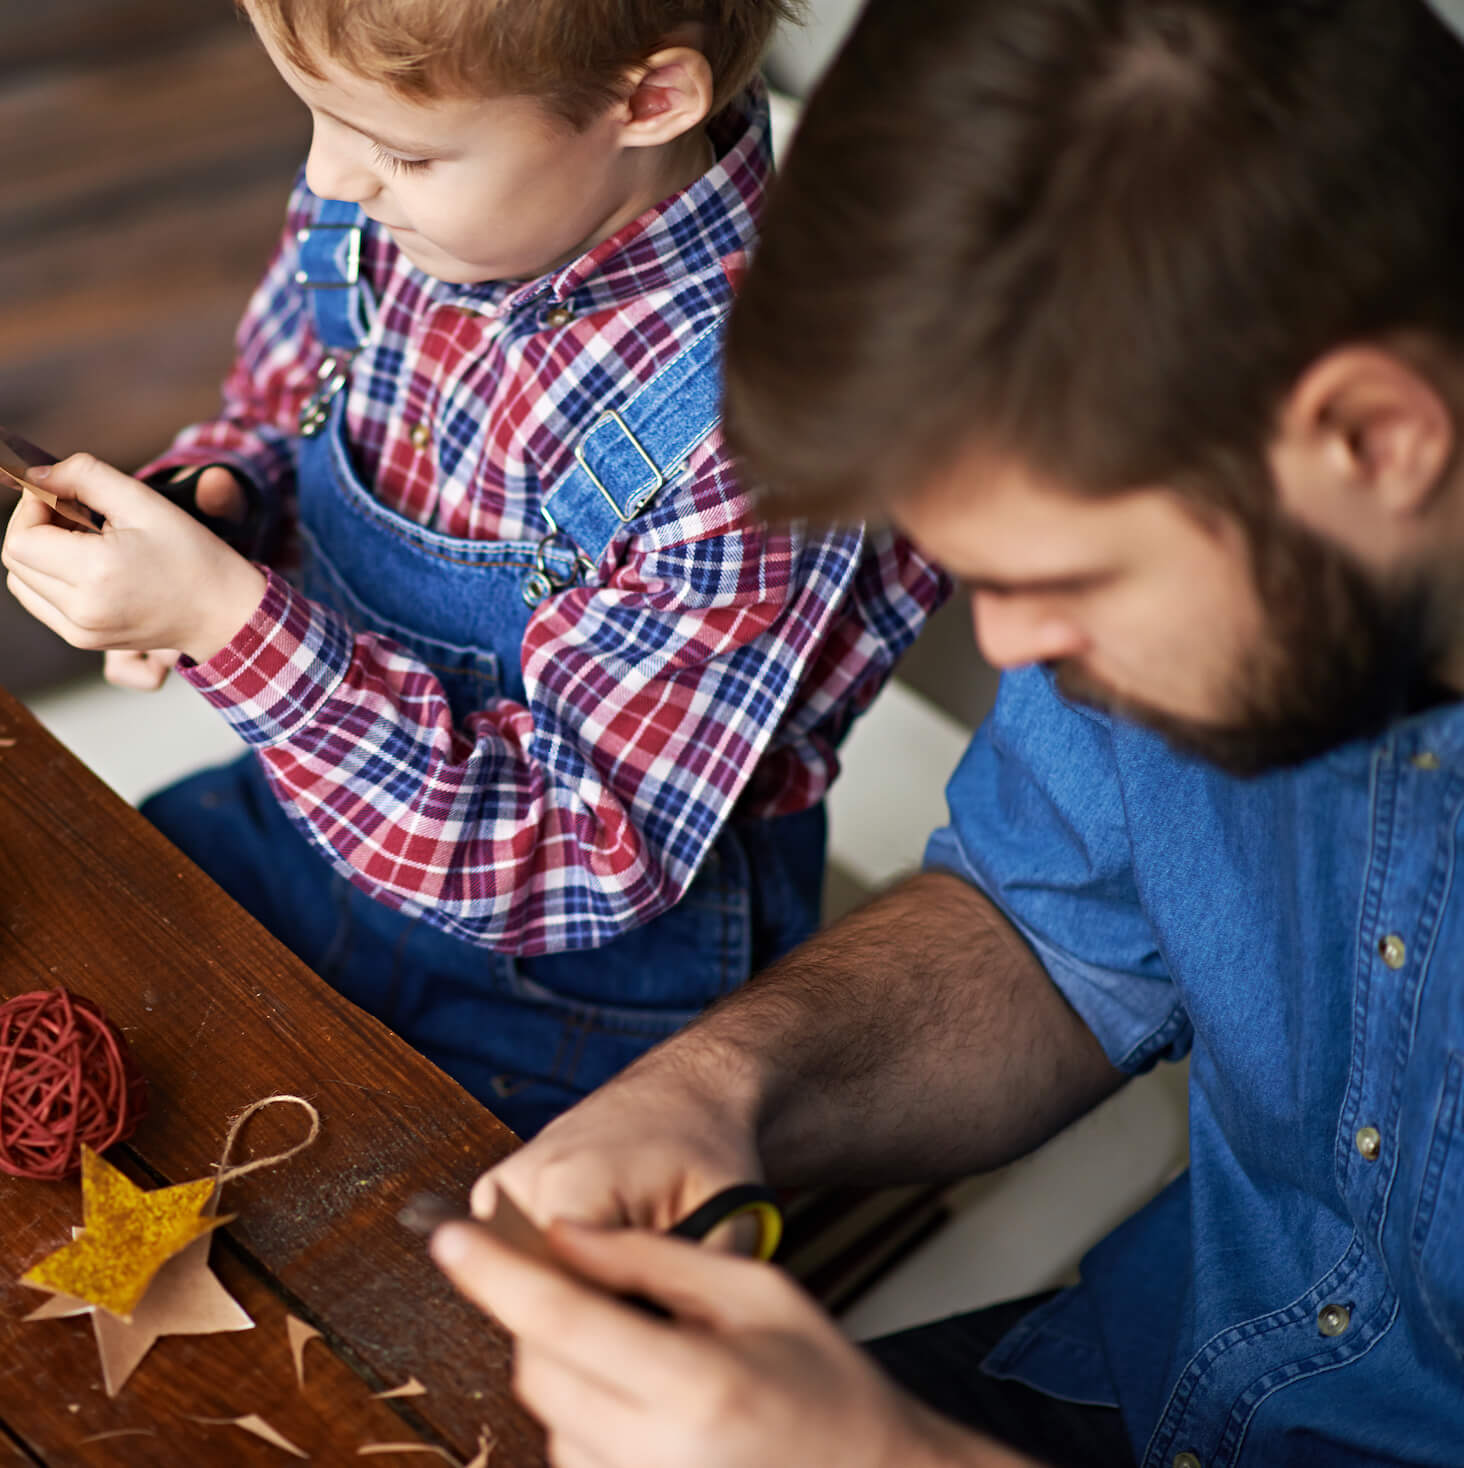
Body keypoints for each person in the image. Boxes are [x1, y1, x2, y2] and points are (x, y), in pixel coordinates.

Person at [431, 0, 1464, 1463]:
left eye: (1071, 579)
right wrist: (714, 1095)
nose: (1009, 647)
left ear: (1375, 437)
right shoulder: (1243, 542)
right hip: (1129, 1385)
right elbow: (1043, 928)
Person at [0, 0, 944, 1136]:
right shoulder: (401, 204)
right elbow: (278, 407)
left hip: (578, 1000)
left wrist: (227, 627)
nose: (330, 177)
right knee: (40, 944)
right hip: (313, 831)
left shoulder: (762, 429)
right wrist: (208, 512)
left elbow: (590, 848)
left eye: (399, 151)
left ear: (647, 102)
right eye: (312, 114)